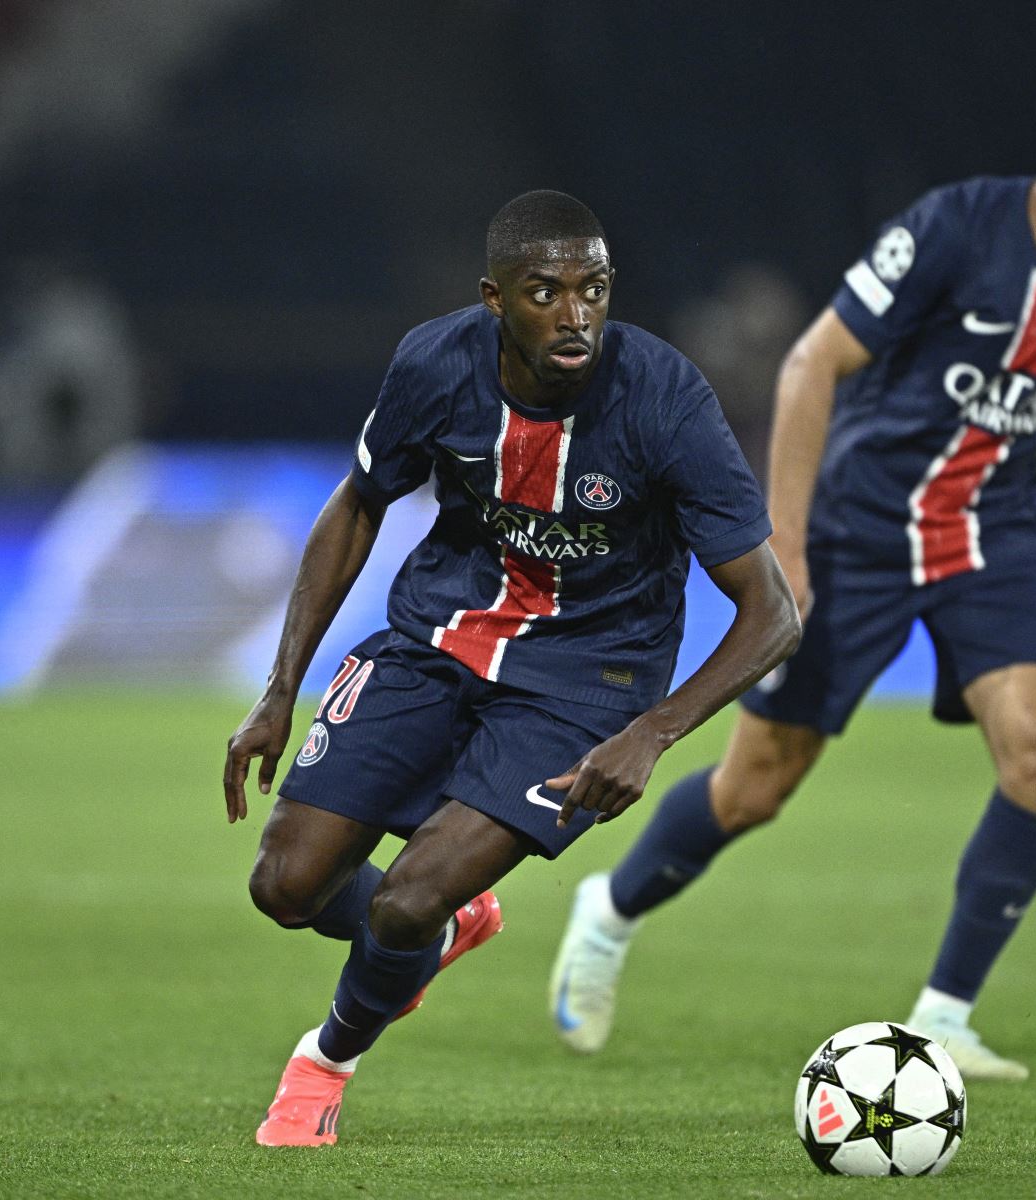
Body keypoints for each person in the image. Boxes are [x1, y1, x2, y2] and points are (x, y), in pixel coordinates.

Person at [549, 50, 1036, 1081]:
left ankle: (944, 1017)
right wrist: (787, 552)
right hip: (855, 531)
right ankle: (611, 909)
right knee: (758, 786)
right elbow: (813, 363)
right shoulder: (955, 228)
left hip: (992, 538)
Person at [223, 190, 800, 1146]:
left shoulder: (664, 398)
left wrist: (650, 733)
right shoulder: (435, 364)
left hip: (589, 680)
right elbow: (360, 502)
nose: (576, 316)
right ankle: (443, 931)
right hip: (435, 637)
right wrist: (281, 689)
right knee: (285, 885)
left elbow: (772, 611)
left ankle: (324, 1061)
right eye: (547, 292)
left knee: (406, 898)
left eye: (595, 291)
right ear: (495, 299)